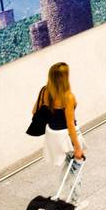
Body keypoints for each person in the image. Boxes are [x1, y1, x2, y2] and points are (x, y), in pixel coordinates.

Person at [32, 62, 85, 194]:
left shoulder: (45, 91)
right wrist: (78, 148)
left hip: (53, 135)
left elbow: (34, 111)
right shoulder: (68, 97)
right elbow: (70, 126)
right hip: (66, 137)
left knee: (69, 165)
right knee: (75, 167)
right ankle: (72, 202)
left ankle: (64, 192)